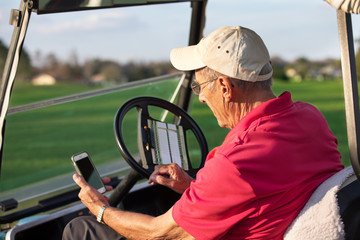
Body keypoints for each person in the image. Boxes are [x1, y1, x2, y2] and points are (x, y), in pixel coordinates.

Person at [62, 26, 344, 240]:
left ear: (224, 87)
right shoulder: (309, 118)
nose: (200, 98)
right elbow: (265, 189)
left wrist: (100, 209)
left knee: (81, 229)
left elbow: (158, 232)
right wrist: (193, 188)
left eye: (199, 87)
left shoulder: (237, 161)